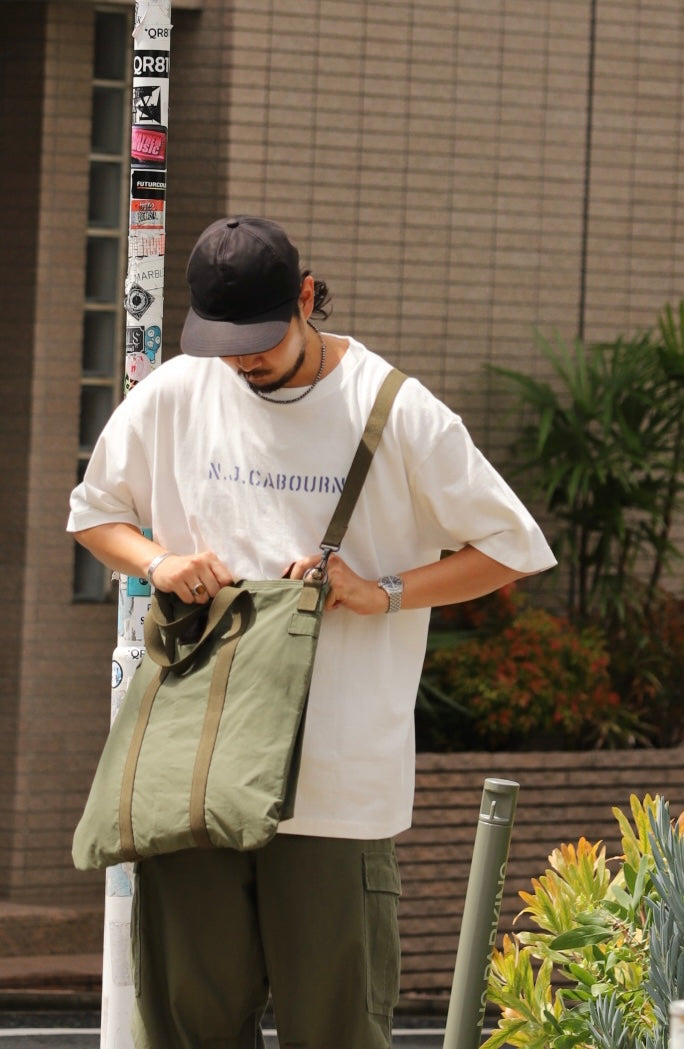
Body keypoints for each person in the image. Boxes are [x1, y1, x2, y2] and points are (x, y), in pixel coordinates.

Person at [68, 215, 556, 1049]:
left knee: (335, 1030)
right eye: (223, 342)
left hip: (335, 789)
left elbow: (512, 547)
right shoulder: (179, 391)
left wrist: (384, 592)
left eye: (259, 338)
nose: (244, 360)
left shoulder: (395, 409)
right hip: (196, 778)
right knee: (187, 1029)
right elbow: (95, 515)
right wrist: (161, 561)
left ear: (306, 297)